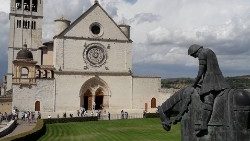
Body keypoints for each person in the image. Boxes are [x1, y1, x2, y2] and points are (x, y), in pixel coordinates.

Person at [188, 44, 230, 135]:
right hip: (219, 79)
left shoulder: (202, 53)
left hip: (211, 81)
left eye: (194, 55)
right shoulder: (210, 51)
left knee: (208, 100)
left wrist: (194, 84)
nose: (195, 57)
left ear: (196, 51)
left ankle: (203, 125)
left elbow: (201, 72)